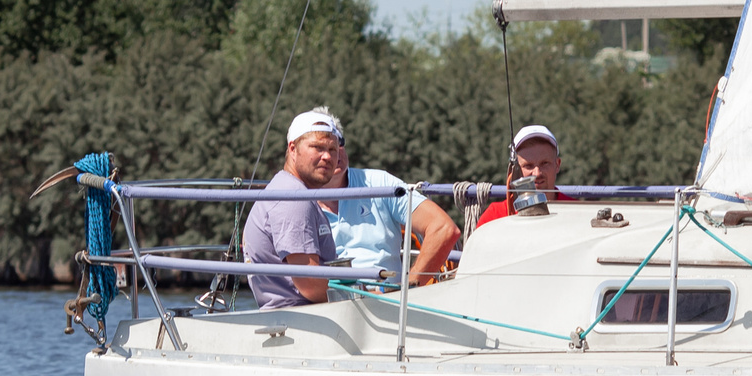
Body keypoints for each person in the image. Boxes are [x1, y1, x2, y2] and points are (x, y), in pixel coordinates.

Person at [241, 111, 344, 307]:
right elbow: (309, 283)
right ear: (293, 149)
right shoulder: (294, 198)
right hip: (303, 315)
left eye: (333, 149)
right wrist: (362, 295)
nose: (327, 156)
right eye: (317, 147)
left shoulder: (288, 189)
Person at [322, 143, 460, 287]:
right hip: (325, 299)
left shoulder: (380, 183)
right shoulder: (304, 202)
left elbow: (444, 228)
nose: (331, 154)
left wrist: (407, 287)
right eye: (319, 147)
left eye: (338, 143)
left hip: (387, 298)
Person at [473, 124, 576, 230]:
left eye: (545, 163)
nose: (537, 173)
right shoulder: (494, 216)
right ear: (514, 170)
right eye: (528, 166)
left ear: (557, 165)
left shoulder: (577, 212)